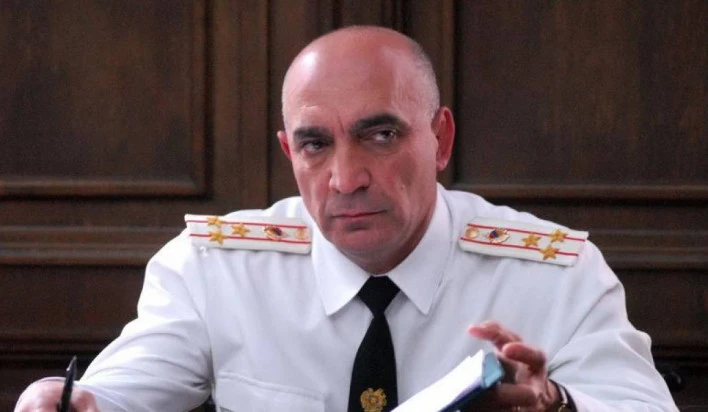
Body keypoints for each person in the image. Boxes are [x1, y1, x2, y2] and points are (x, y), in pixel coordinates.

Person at [15, 26, 677, 412]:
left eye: (380, 135)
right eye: (315, 144)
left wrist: (557, 404)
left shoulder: (555, 275)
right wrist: (56, 397)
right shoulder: (214, 270)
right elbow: (110, 397)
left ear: (440, 139)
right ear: (289, 153)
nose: (345, 177)